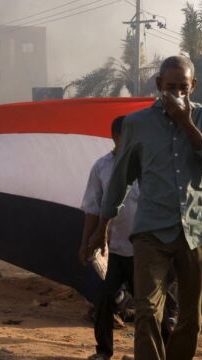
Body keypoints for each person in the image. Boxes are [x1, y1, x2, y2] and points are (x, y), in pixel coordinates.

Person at [91, 55, 202, 359]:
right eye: (171, 87)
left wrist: (187, 125)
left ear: (194, 86)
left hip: (197, 227)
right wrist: (103, 226)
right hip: (151, 229)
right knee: (147, 310)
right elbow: (120, 177)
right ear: (159, 84)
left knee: (193, 316)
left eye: (184, 88)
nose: (177, 94)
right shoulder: (138, 124)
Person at [78, 116, 137, 360]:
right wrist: (85, 243)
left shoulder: (147, 165)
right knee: (103, 300)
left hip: (143, 249)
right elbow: (92, 207)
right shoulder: (102, 167)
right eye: (128, 135)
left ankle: (152, 352)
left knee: (150, 306)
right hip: (111, 249)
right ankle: (104, 351)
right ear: (115, 137)